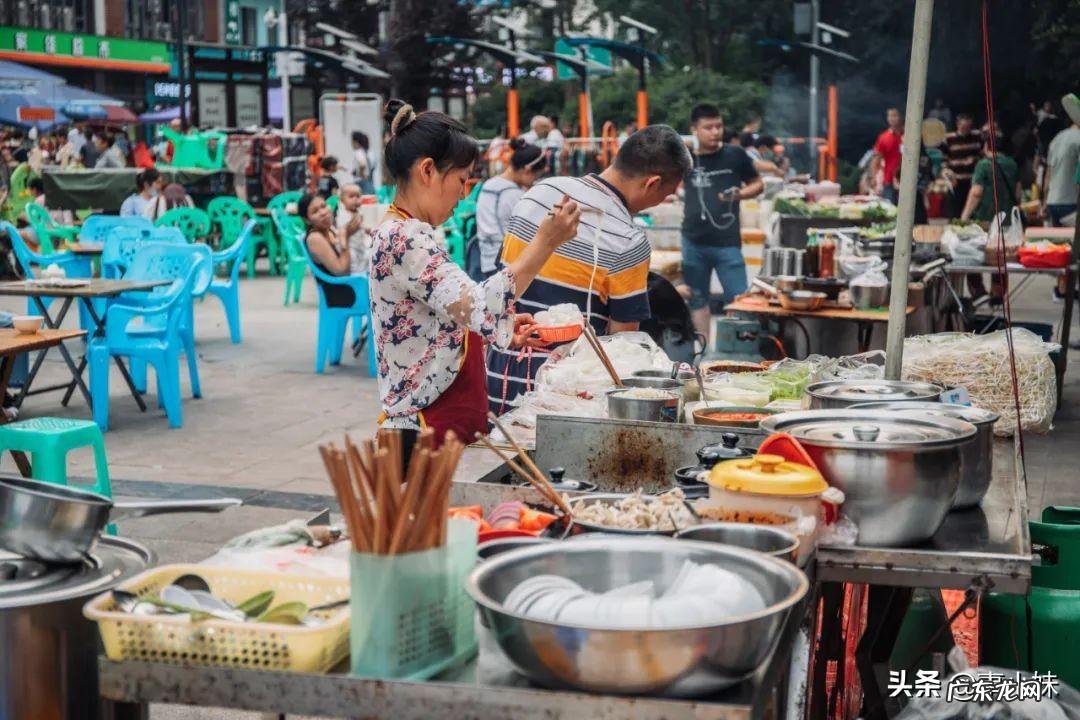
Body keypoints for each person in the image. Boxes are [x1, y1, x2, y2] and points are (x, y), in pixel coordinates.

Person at [369, 99, 581, 450]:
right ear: (427, 171)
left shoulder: (404, 231)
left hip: (440, 419)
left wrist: (505, 331)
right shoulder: (401, 237)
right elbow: (480, 304)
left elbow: (452, 311)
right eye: (461, 180)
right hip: (426, 427)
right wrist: (546, 242)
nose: (463, 194)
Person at [487, 124, 691, 414]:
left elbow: (501, 282)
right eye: (667, 193)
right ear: (651, 183)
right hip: (564, 392)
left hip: (498, 370)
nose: (663, 201)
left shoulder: (539, 192)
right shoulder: (628, 239)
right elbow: (622, 346)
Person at [681, 104, 763, 336]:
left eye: (718, 126)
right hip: (693, 241)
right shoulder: (685, 158)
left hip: (727, 243)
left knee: (738, 300)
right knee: (697, 301)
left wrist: (739, 194)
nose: (715, 132)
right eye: (708, 127)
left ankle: (733, 355)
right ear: (694, 129)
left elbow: (758, 183)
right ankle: (702, 355)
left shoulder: (734, 154)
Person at [469, 138, 545, 283]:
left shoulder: (489, 184)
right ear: (528, 170)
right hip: (505, 265)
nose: (534, 181)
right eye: (536, 176)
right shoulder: (514, 194)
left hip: (486, 260)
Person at [300, 192, 363, 293]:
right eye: (315, 211)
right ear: (307, 220)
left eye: (324, 206)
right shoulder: (315, 238)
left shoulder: (328, 229)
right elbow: (342, 271)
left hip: (348, 284)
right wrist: (345, 237)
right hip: (342, 292)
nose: (323, 212)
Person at [960, 134, 1022, 223]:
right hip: (1008, 219)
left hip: (986, 219)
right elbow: (1018, 193)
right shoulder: (1012, 164)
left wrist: (964, 217)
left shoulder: (983, 165)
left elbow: (976, 193)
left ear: (986, 146)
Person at [1043, 116, 1080, 227]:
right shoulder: (1078, 139)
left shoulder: (1056, 139)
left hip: (1052, 201)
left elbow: (1048, 175)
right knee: (1071, 242)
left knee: (1056, 243)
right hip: (1071, 201)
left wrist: (1045, 201)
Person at [945, 114, 983, 217]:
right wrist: (949, 177)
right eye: (963, 127)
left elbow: (982, 155)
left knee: (970, 212)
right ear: (957, 125)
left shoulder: (977, 136)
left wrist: (974, 159)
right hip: (956, 181)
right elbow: (944, 161)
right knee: (955, 212)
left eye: (968, 127)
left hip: (972, 180)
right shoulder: (949, 138)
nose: (966, 130)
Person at [334, 183, 371, 274]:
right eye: (351, 196)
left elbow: (361, 226)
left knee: (366, 254)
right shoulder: (343, 214)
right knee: (353, 259)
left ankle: (365, 272)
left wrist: (366, 230)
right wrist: (343, 243)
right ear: (342, 200)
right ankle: (355, 275)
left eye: (358, 196)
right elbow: (342, 231)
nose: (355, 199)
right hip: (349, 246)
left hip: (359, 243)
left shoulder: (358, 212)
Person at [870, 107, 904, 203]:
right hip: (889, 180)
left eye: (894, 115)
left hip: (908, 180)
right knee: (891, 210)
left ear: (902, 117)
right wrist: (873, 177)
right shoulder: (883, 137)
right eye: (889, 116)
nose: (891, 118)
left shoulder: (909, 136)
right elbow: (876, 159)